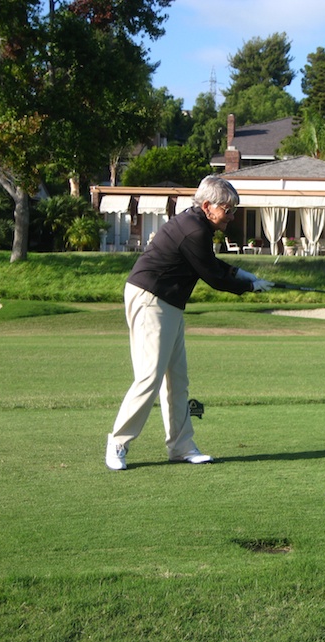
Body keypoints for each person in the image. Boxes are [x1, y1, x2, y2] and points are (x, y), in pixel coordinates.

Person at [105, 175, 273, 470]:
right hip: (150, 298)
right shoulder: (194, 230)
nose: (231, 216)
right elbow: (212, 276)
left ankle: (181, 446)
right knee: (150, 377)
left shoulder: (197, 224)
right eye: (228, 210)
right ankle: (118, 442)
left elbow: (211, 264)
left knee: (177, 380)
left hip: (168, 302)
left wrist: (242, 274)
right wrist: (248, 286)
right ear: (207, 206)